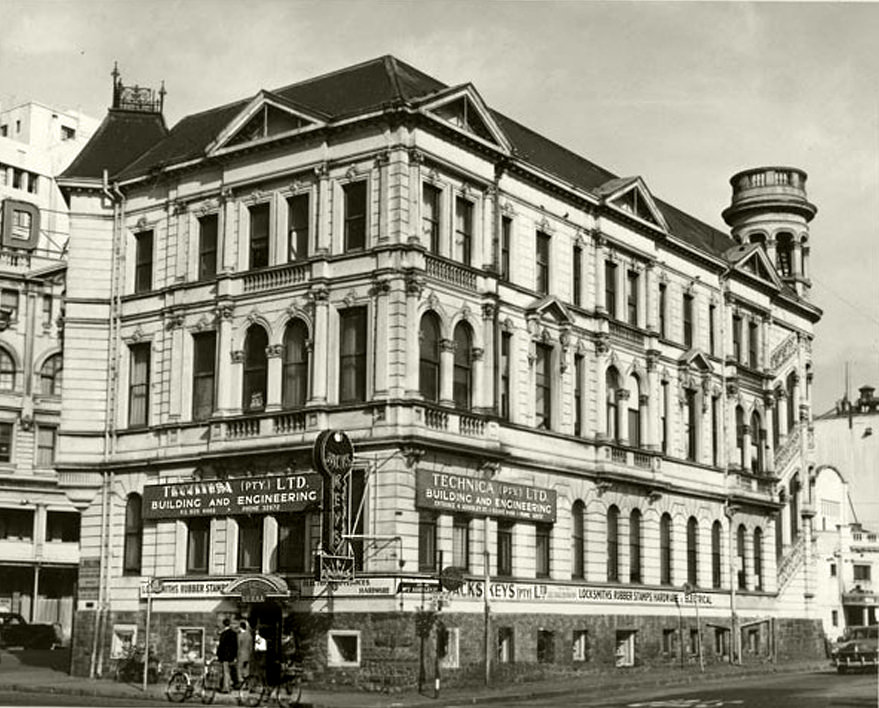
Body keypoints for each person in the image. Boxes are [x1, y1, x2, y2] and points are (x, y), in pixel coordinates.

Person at [217, 618, 238, 693]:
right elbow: (236, 646)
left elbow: (221, 646)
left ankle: (226, 688)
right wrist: (235, 656)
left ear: (223, 624)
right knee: (231, 671)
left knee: (226, 672)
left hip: (225, 656)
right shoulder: (234, 633)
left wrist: (218, 655)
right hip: (232, 656)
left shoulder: (223, 634)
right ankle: (230, 685)